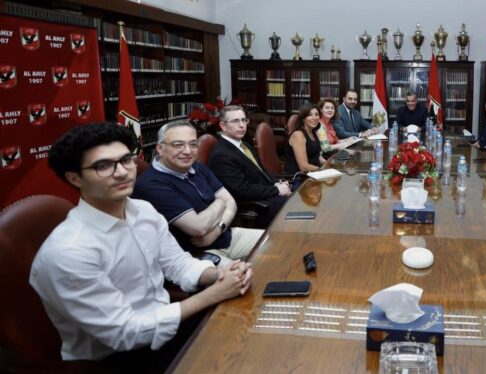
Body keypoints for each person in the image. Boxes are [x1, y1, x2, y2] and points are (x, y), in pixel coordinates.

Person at [31, 122, 252, 363]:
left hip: (168, 322)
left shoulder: (144, 211)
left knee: (251, 329)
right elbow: (124, 333)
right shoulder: (69, 251)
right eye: (103, 166)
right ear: (74, 178)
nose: (122, 172)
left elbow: (178, 263)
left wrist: (219, 275)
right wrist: (212, 295)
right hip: (116, 358)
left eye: (126, 160)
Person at [133, 120, 263, 267]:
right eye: (178, 145)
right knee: (244, 275)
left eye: (193, 144)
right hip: (194, 255)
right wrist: (220, 202)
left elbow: (231, 202)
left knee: (279, 241)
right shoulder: (151, 184)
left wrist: (216, 231)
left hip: (225, 235)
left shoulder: (197, 167)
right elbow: (198, 227)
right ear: (160, 148)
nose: (187, 151)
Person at [207, 105, 291, 222]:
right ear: (223, 126)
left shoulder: (244, 144)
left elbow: (261, 170)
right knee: (296, 205)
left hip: (265, 192)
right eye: (235, 121)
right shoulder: (221, 155)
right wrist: (276, 190)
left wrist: (277, 182)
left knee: (301, 193)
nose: (242, 125)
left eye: (244, 120)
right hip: (255, 204)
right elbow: (242, 190)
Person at [285, 103, 326, 187]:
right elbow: (303, 167)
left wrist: (329, 165)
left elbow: (317, 155)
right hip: (299, 178)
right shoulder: (298, 135)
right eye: (310, 115)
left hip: (313, 173)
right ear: (303, 118)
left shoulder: (313, 131)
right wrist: (323, 170)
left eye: (316, 114)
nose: (314, 118)